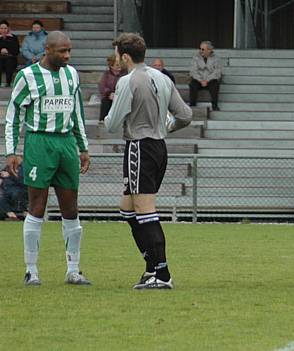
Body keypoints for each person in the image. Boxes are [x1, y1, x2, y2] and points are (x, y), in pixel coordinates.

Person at [105, 33, 192, 290]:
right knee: (127, 209)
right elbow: (185, 115)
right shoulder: (161, 77)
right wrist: (166, 126)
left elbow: (111, 125)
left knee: (145, 211)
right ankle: (151, 267)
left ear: (126, 56)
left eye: (118, 55)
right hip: (158, 146)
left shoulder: (128, 81)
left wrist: (114, 108)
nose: (117, 60)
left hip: (139, 147)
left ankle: (162, 274)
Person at [4, 31, 91, 286]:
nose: (67, 56)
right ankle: (32, 270)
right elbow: (13, 116)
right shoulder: (27, 76)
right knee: (37, 207)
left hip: (66, 144)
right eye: (62, 51)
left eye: (69, 51)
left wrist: (83, 147)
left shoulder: (71, 74)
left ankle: (73, 270)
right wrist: (11, 151)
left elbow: (77, 112)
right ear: (48, 50)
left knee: (71, 207)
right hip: (39, 142)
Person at [189, 41, 222, 110]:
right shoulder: (196, 57)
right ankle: (192, 104)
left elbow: (217, 72)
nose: (201, 51)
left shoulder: (216, 58)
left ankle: (214, 105)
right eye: (200, 49)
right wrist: (201, 80)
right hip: (199, 80)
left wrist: (207, 80)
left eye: (203, 49)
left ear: (209, 50)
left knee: (215, 84)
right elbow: (193, 71)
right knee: (192, 84)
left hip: (210, 80)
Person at [97, 54, 127, 123]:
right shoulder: (106, 74)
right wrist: (109, 93)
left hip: (121, 96)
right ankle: (103, 120)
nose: (119, 66)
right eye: (117, 64)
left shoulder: (125, 73)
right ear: (111, 66)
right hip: (109, 96)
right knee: (106, 101)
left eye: (120, 64)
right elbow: (102, 86)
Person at [0, 20, 20, 87]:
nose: (3, 30)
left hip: (10, 58)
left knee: (9, 62)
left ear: (8, 28)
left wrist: (7, 50)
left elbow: (16, 51)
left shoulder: (13, 37)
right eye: (1, 28)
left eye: (5, 28)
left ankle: (8, 82)